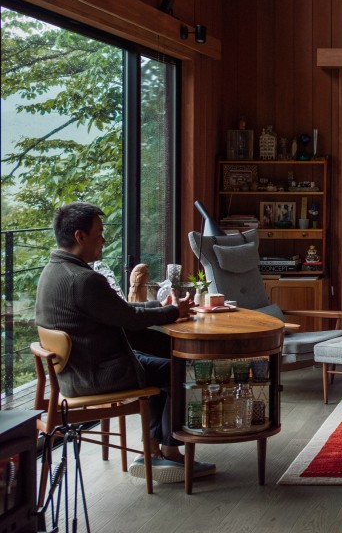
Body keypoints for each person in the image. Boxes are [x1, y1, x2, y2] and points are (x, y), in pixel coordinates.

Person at [35, 202, 215, 484]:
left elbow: (119, 312)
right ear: (80, 237)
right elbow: (129, 317)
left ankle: (152, 450)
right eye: (99, 233)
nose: (104, 240)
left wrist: (164, 307)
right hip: (97, 374)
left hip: (73, 373)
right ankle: (170, 451)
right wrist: (173, 311)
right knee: (182, 369)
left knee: (160, 355)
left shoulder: (52, 271)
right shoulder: (85, 280)